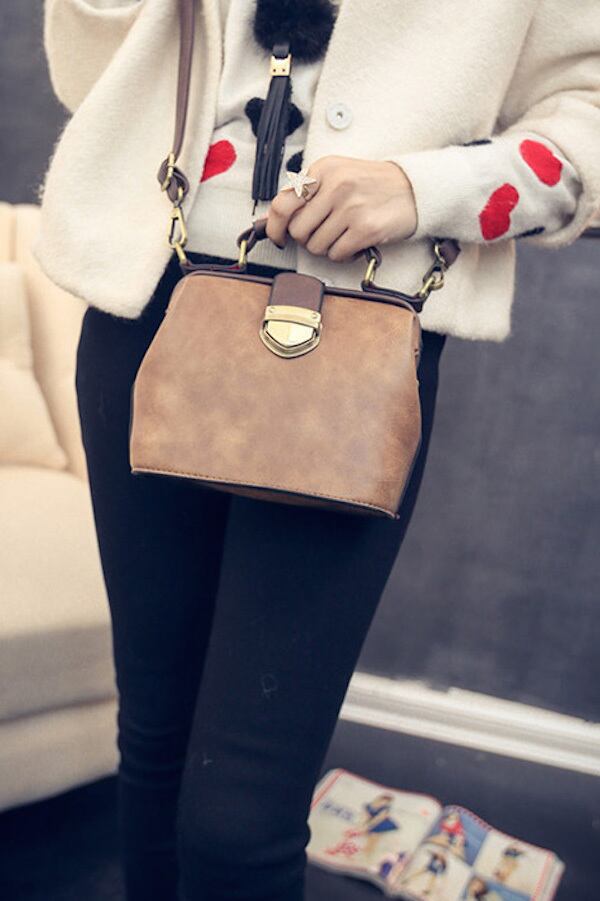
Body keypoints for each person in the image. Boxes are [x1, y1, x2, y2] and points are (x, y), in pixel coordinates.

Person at [37, 2, 600, 900]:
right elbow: (91, 78)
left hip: (357, 339)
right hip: (149, 303)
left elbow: (588, 116)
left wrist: (424, 187)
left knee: (238, 818)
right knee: (152, 745)